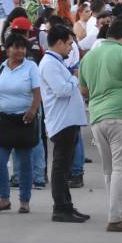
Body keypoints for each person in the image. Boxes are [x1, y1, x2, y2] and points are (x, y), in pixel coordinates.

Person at [79, 17, 122, 232]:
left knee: (110, 169)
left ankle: (119, 211)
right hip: (120, 115)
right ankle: (117, 217)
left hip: (97, 117)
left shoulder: (89, 56)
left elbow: (84, 91)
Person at [0, 34, 41, 214]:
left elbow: (37, 92)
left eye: (23, 47)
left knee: (24, 162)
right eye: (16, 47)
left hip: (24, 120)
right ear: (7, 49)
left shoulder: (31, 67)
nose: (20, 51)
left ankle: (24, 201)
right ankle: (4, 199)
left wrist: (33, 110)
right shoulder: (0, 68)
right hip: (2, 120)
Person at [39, 25, 89, 223]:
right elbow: (62, 90)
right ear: (58, 43)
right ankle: (60, 207)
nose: (71, 48)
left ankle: (66, 205)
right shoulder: (49, 64)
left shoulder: (56, 62)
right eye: (69, 44)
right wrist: (75, 80)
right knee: (61, 166)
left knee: (65, 166)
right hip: (61, 122)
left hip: (68, 120)